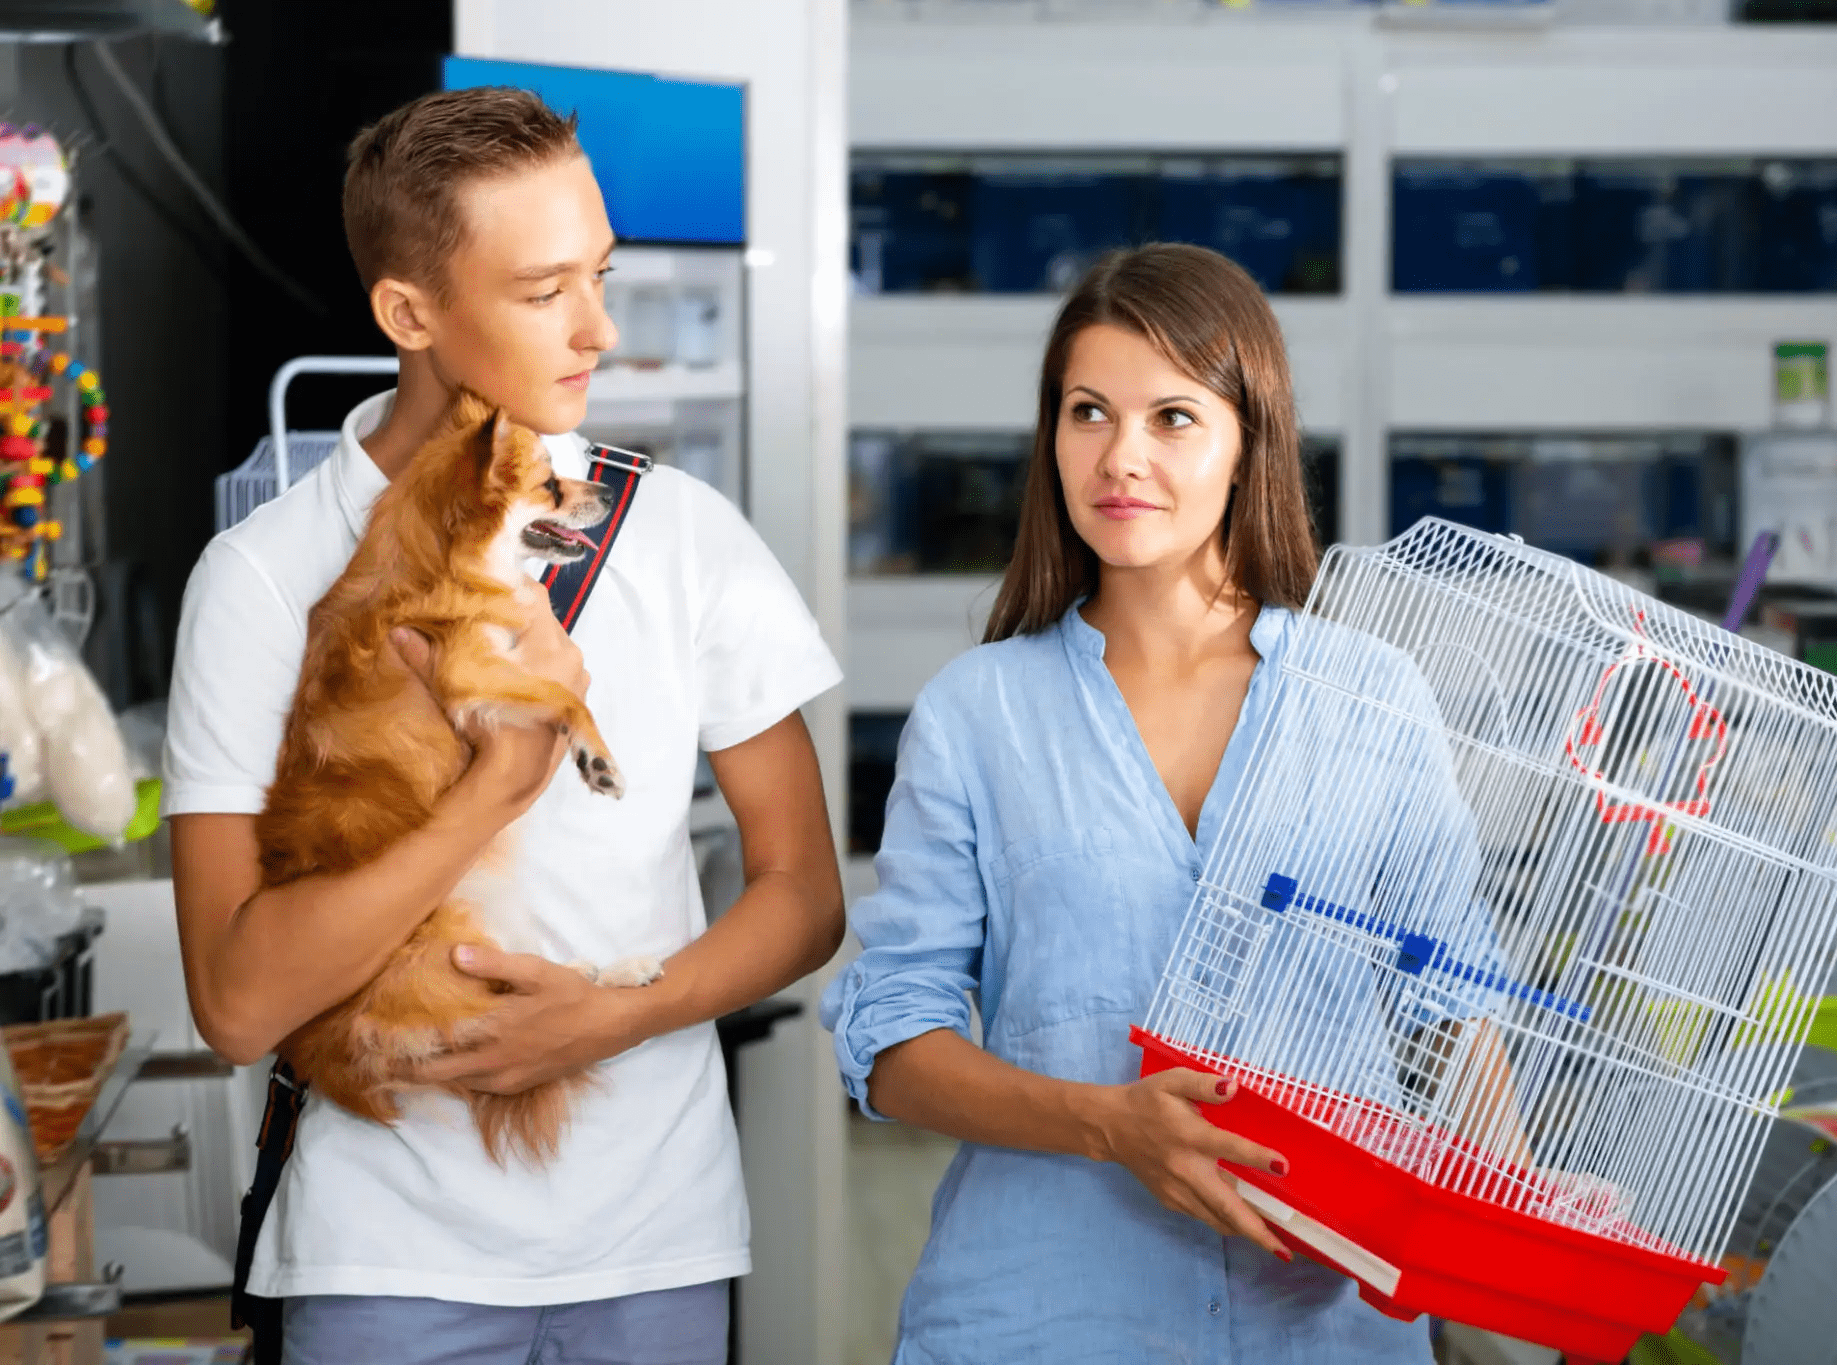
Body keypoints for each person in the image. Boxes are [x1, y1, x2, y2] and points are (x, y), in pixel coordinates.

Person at [164, 87, 844, 1365]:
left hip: (658, 1238)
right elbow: (239, 1003)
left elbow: (806, 893)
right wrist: (491, 794)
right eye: (544, 292)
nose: (599, 328)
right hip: (383, 1257)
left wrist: (619, 1012)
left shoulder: (686, 537)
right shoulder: (262, 577)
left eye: (601, 273)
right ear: (408, 314)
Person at [822, 243, 1502, 1363]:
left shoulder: (1366, 697)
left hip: (1319, 1323)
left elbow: (1449, 1000)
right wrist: (1105, 1126)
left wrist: (1518, 1193)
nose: (1119, 456)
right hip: (1043, 1316)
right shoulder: (977, 712)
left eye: (1172, 417)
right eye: (1088, 412)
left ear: (1249, 441)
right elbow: (890, 1039)